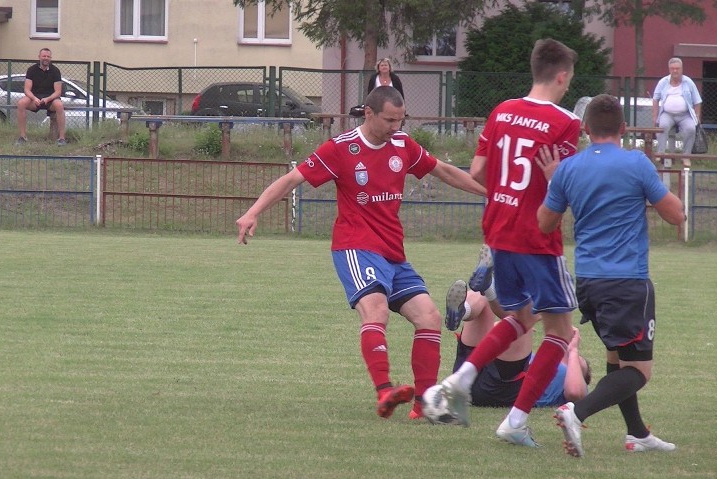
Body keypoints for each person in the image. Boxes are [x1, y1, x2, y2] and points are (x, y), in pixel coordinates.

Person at [236, 86, 486, 420]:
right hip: (356, 245)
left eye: (400, 120)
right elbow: (292, 179)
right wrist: (253, 212)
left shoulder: (402, 145)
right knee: (376, 310)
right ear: (368, 113)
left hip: (393, 250)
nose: (395, 127)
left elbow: (444, 170)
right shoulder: (341, 148)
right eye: (389, 120)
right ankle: (385, 392)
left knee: (429, 317)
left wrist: (491, 193)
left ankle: (425, 404)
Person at [431, 38, 581, 448]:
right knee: (559, 330)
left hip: (498, 230)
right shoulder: (566, 122)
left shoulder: (501, 111)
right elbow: (562, 187)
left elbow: (478, 171)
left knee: (522, 317)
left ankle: (459, 379)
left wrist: (507, 192)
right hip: (535, 235)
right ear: (562, 75)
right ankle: (515, 420)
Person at [538, 94, 685, 457]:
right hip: (626, 281)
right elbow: (676, 216)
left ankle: (638, 434)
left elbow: (545, 223)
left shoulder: (569, 168)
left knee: (617, 357)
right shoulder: (636, 163)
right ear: (623, 128)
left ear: (585, 129)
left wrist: (554, 181)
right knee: (639, 371)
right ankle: (577, 412)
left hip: (587, 280)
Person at [443, 280, 590, 410]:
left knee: (523, 320)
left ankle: (494, 288)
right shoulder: (540, 356)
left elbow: (575, 392)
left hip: (498, 391)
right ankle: (465, 310)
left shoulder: (573, 385)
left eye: (578, 364)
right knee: (481, 293)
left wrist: (574, 350)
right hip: (472, 370)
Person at [652, 57, 702, 167]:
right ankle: (660, 153)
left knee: (691, 128)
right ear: (669, 69)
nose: (675, 71)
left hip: (685, 115)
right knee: (662, 126)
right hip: (667, 114)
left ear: (682, 69)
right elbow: (655, 99)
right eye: (672, 68)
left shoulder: (689, 82)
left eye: (677, 68)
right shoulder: (663, 82)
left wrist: (697, 116)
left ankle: (686, 156)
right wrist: (655, 117)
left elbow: (697, 101)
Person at [16, 48, 66, 146]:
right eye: (44, 56)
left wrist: (48, 99)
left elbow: (58, 92)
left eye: (48, 56)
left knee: (59, 105)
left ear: (50, 58)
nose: (46, 58)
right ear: (39, 57)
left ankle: (62, 138)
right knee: (21, 103)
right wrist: (34, 98)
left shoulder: (55, 71)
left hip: (50, 99)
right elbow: (26, 89)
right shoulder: (31, 70)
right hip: (34, 98)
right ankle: (22, 137)